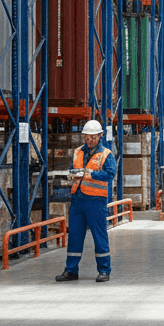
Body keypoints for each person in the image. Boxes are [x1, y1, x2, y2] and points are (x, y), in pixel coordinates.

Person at [56, 120, 117, 284]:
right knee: (75, 236)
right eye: (87, 137)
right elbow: (73, 168)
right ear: (84, 136)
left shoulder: (106, 154)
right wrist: (72, 174)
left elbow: (110, 174)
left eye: (93, 137)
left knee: (99, 236)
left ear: (100, 136)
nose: (90, 140)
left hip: (96, 201)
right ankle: (71, 270)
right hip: (78, 199)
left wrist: (92, 174)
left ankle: (104, 270)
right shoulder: (77, 152)